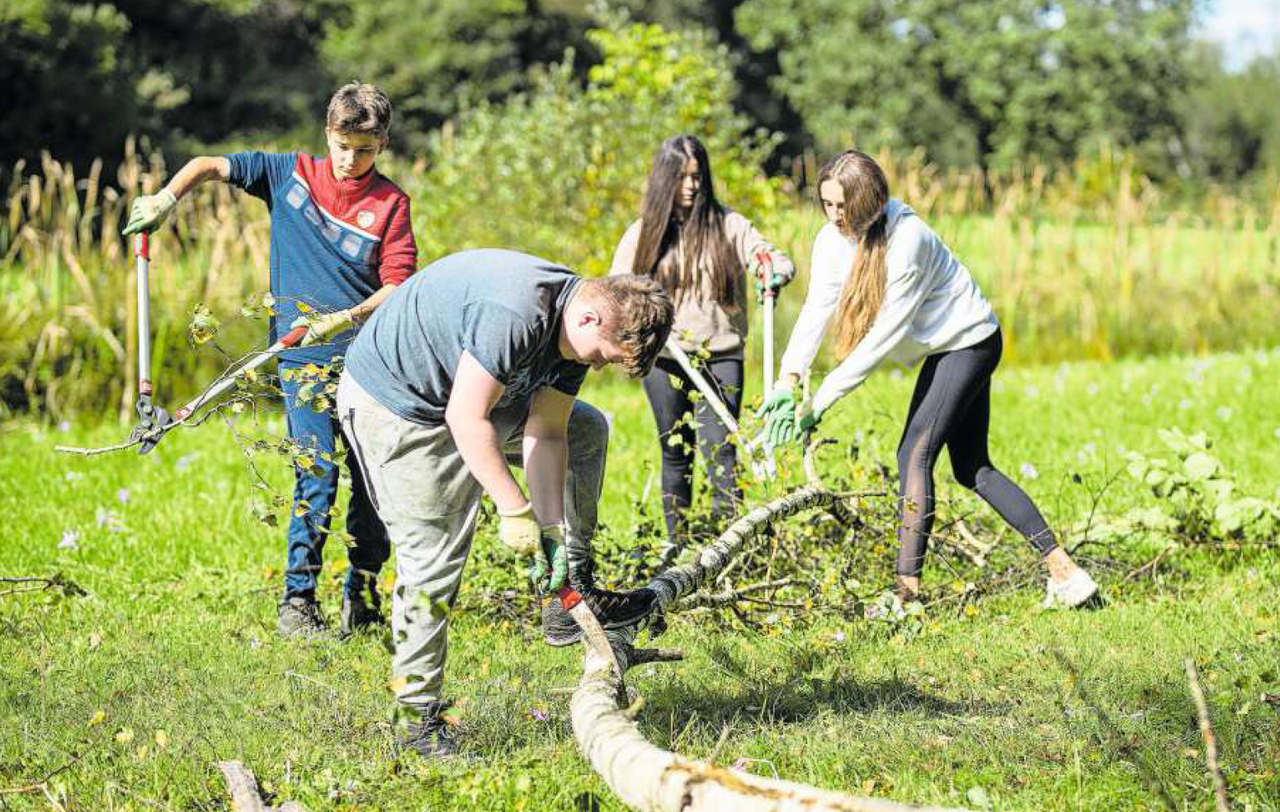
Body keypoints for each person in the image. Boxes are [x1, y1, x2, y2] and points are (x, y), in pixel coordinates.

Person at [336, 248, 673, 758]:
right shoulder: (518, 312)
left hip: (461, 400)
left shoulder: (576, 330)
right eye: (603, 354)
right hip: (399, 405)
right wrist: (515, 511)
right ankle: (415, 722)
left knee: (586, 429)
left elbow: (549, 431)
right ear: (590, 317)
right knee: (433, 557)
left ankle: (568, 591)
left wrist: (552, 530)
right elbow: (466, 419)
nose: (599, 366)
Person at [122, 83, 418, 636]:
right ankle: (298, 602)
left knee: (371, 483)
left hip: (369, 365)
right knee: (316, 473)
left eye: (365, 149)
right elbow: (210, 164)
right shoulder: (291, 174)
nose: (351, 160)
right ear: (327, 134)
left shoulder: (391, 204)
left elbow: (398, 286)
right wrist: (166, 199)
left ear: (382, 144)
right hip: (301, 362)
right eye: (342, 145)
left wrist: (345, 318)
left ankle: (364, 591)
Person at [761, 149, 1098, 609]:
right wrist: (787, 380)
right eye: (827, 204)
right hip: (952, 346)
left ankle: (906, 597)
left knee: (914, 455)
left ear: (870, 202)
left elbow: (882, 338)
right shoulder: (830, 241)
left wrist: (820, 400)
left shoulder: (908, 239)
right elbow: (815, 311)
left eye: (844, 207)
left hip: (970, 342)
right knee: (972, 468)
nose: (835, 216)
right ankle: (1066, 573)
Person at [610, 134, 794, 556]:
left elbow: (772, 258)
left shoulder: (729, 225)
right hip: (667, 360)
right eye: (681, 178)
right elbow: (615, 287)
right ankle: (680, 548)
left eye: (697, 177)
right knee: (676, 453)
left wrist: (775, 271)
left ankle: (731, 551)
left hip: (721, 357)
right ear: (664, 181)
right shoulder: (643, 234)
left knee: (721, 454)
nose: (691, 186)